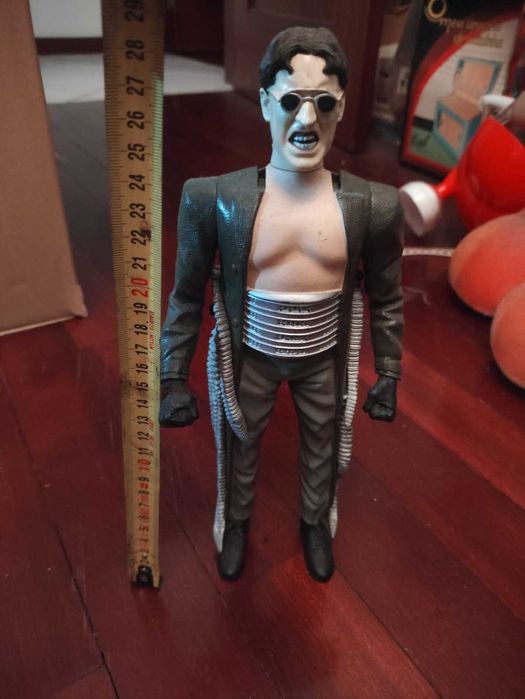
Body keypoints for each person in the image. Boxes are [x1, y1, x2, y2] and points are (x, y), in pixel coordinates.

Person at [160, 26, 404, 583]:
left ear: (341, 107)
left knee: (324, 442)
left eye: (324, 103)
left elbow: (387, 296)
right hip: (250, 355)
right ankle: (236, 520)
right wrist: (172, 377)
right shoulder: (215, 199)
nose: (307, 119)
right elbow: (186, 294)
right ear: (266, 102)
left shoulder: (372, 205)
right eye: (292, 100)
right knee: (239, 439)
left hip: (324, 358)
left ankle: (315, 521)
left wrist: (389, 372)